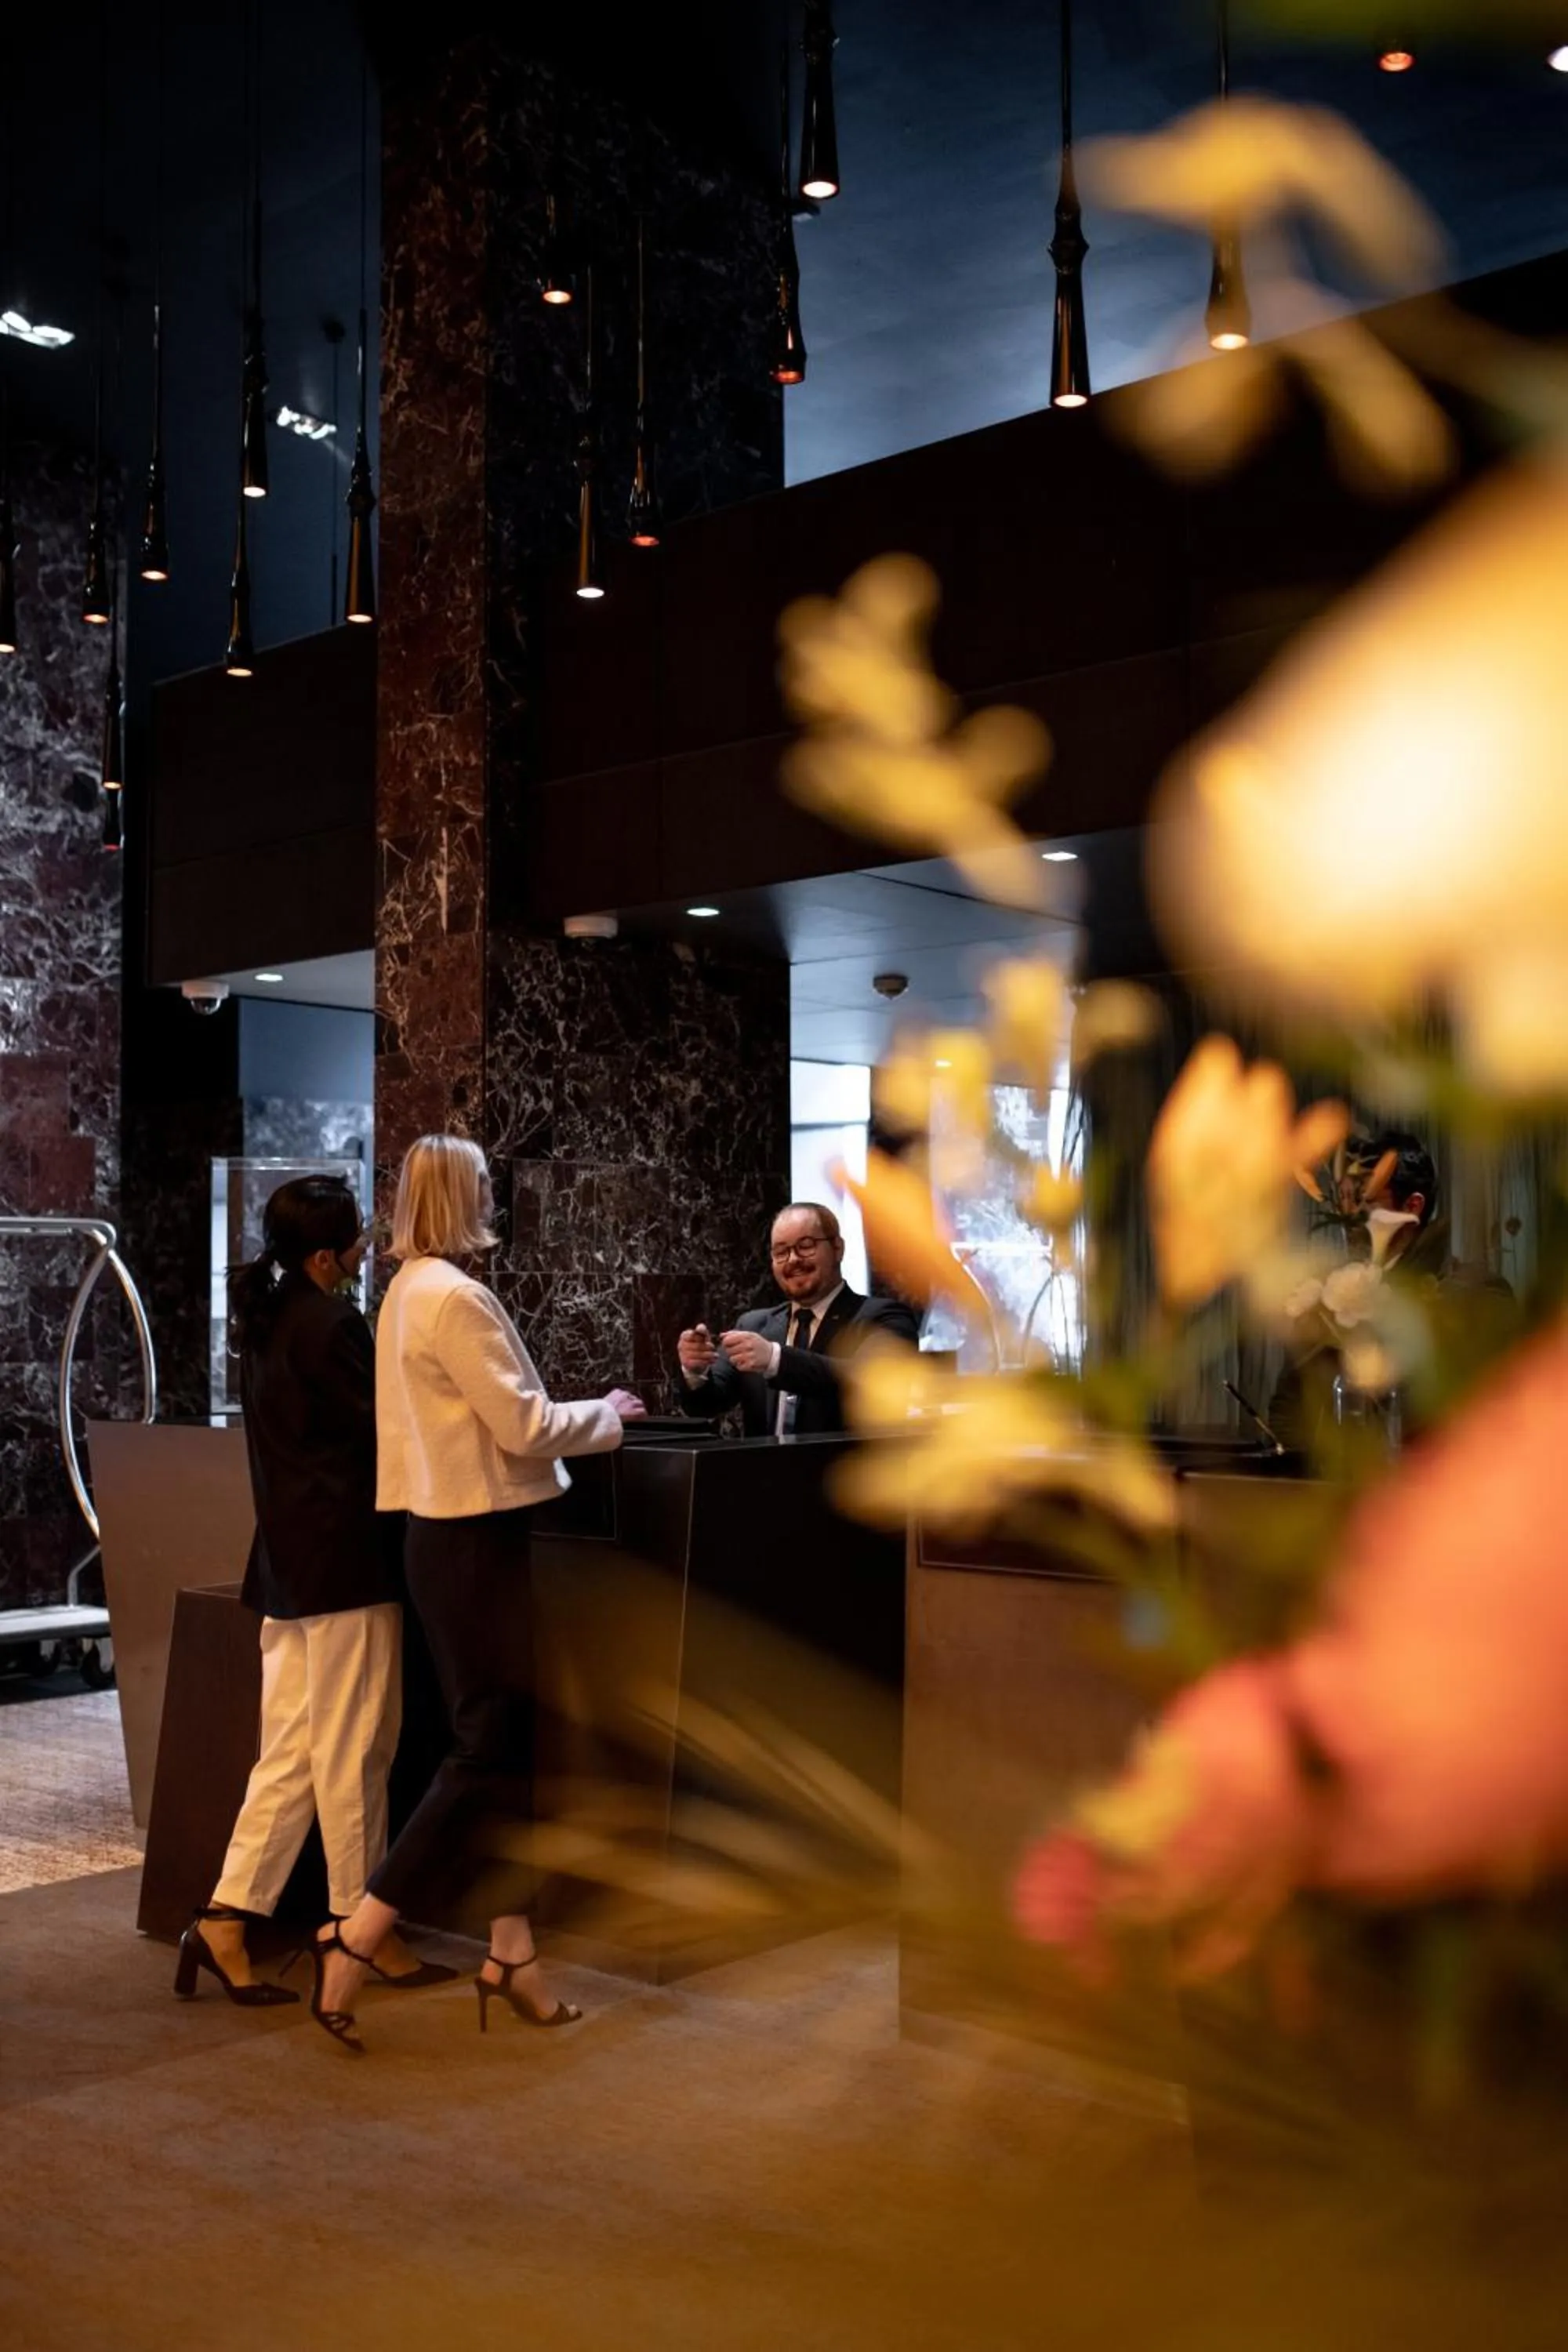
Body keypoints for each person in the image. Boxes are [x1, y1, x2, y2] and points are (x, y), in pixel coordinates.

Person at [308, 1134, 646, 2053]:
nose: (496, 1195)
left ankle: (511, 1954)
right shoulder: (453, 1296)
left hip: (441, 1538)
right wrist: (606, 1418)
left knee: (505, 1753)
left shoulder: (406, 1293)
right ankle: (361, 1929)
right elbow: (524, 1424)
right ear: (461, 1196)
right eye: (486, 1184)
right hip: (471, 1543)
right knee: (483, 1750)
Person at [176, 1176, 446, 2007]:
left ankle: (226, 1917)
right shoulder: (333, 1323)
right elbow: (387, 1434)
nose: (369, 1254)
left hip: (286, 1567)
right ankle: (355, 1926)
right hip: (346, 1564)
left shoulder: (267, 1317)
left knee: (291, 1752)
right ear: (329, 1255)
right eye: (361, 1243)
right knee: (356, 1749)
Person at [676, 1200, 920, 1436]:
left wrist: (775, 1359)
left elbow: (874, 1382)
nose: (793, 1260)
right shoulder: (754, 1325)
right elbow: (705, 1405)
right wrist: (695, 1372)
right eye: (781, 1252)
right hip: (766, 1478)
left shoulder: (884, 1317)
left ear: (838, 1248)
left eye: (805, 1246)